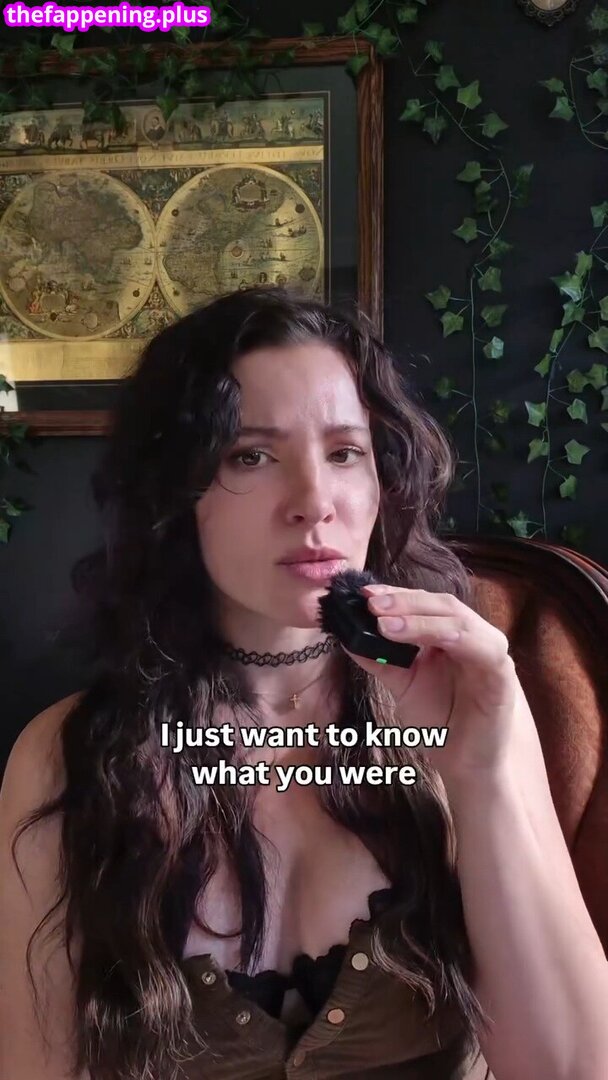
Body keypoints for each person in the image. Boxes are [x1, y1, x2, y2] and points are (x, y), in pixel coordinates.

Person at [1, 286, 607, 1080]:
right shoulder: (65, 760)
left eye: (345, 452)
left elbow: (573, 1067)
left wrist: (481, 773)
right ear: (173, 493)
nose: (315, 502)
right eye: (250, 455)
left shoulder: (469, 708)